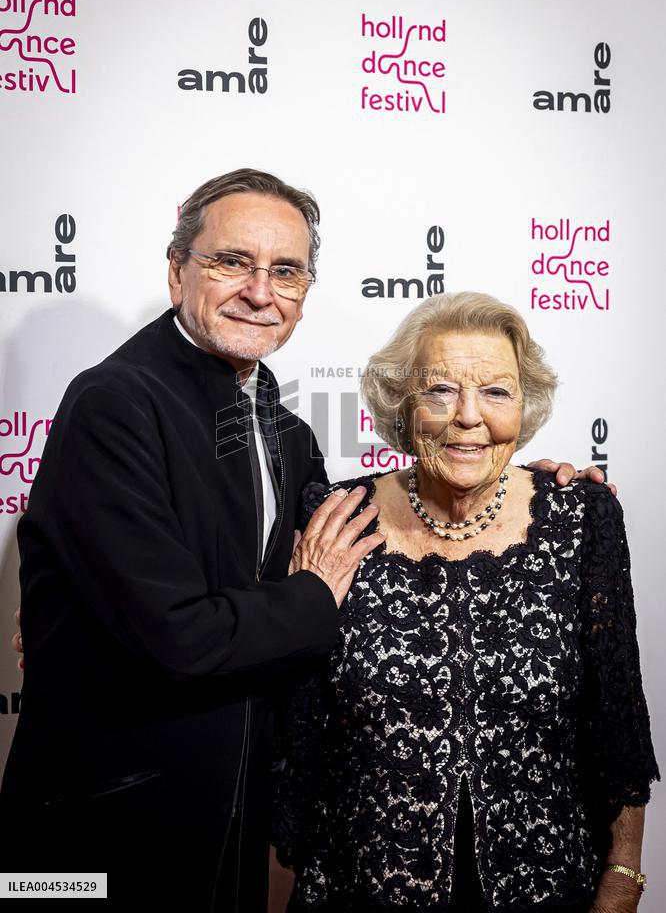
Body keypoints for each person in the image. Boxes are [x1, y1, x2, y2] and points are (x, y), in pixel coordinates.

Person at [3, 171, 610, 912]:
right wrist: (314, 595)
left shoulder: (282, 428)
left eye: (285, 271)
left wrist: (522, 484)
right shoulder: (115, 404)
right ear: (176, 272)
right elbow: (177, 636)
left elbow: (372, 514)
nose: (260, 291)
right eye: (232, 262)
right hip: (103, 843)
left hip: (225, 834)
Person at [273, 291, 659, 913]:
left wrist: (622, 879)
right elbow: (295, 743)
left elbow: (618, 723)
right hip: (361, 886)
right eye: (440, 391)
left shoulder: (582, 520)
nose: (468, 417)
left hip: (548, 885)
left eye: (497, 393)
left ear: (524, 406)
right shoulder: (334, 518)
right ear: (403, 405)